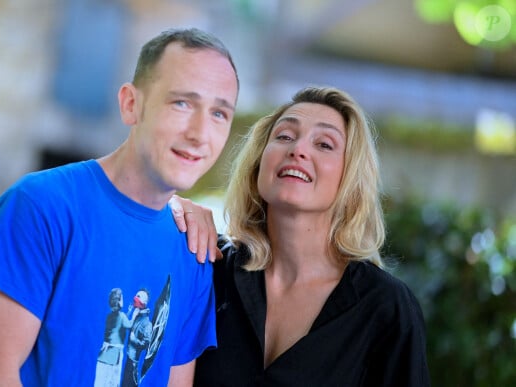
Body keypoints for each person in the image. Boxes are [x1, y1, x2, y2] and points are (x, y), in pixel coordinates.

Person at [0, 27, 239, 386]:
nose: (200, 133)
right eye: (182, 103)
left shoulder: (194, 249)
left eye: (219, 114)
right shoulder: (40, 206)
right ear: (130, 104)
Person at [172, 86, 430, 386]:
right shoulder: (207, 264)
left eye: (324, 144)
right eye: (284, 137)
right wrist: (172, 207)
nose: (298, 150)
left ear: (351, 177)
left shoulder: (386, 308)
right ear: (258, 163)